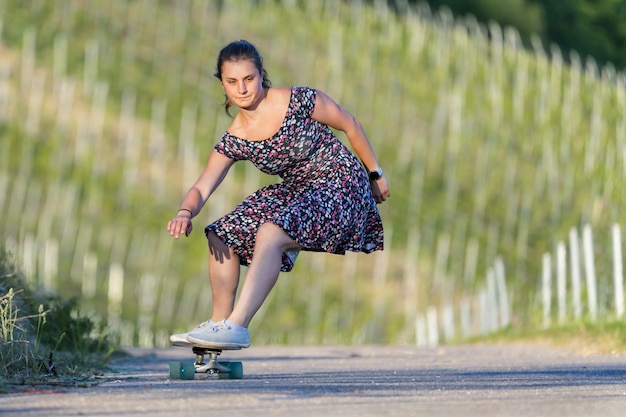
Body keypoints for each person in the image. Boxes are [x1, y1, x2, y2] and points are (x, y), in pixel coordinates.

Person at [167, 40, 390, 349]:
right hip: (298, 192)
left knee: (271, 232)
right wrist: (185, 212)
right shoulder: (236, 137)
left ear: (261, 75)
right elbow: (202, 186)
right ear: (223, 83)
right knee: (221, 233)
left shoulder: (299, 100)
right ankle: (218, 326)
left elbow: (350, 124)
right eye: (232, 82)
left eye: (249, 79)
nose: (242, 89)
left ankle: (238, 325)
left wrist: (375, 172)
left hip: (341, 186)